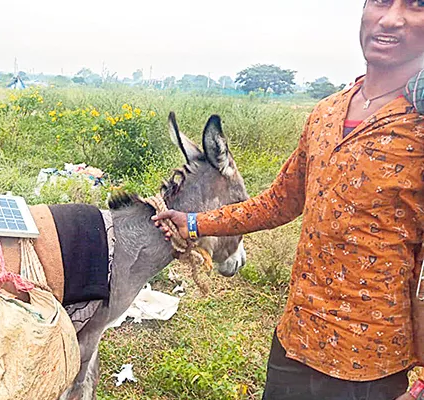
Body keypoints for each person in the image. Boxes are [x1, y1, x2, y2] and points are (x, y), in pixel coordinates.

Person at [153, 1, 424, 399]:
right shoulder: (325, 114)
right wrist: (194, 223)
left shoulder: (418, 124)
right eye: (382, 1)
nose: (391, 19)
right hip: (294, 344)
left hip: (371, 365)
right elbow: (279, 202)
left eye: (417, 6)